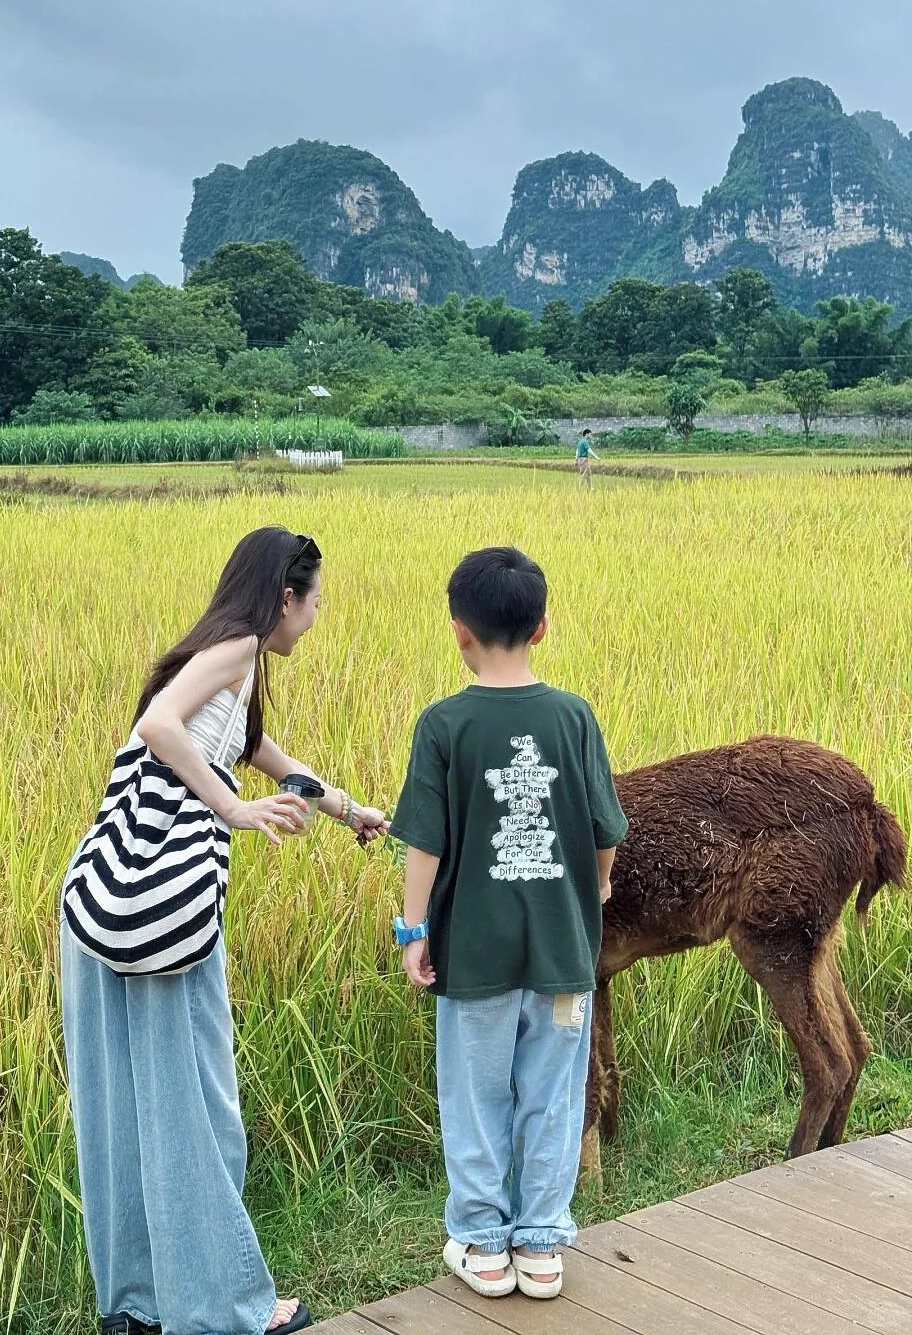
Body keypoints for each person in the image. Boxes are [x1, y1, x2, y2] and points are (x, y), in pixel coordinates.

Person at [60, 527, 389, 1335]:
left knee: (124, 1108)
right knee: (198, 1105)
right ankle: (228, 1308)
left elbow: (277, 765)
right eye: (315, 601)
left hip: (105, 901)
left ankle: (136, 1306)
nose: (315, 618)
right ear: (285, 596)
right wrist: (231, 807)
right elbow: (161, 728)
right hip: (168, 911)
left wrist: (351, 813)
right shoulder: (239, 650)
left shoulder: (226, 669)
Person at [389, 546, 627, 1300]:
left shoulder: (444, 725)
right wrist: (598, 888)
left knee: (475, 1093)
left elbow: (425, 842)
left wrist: (413, 930)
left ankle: (484, 1246)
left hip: (475, 955)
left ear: (459, 632)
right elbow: (603, 829)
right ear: (544, 629)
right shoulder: (573, 716)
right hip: (561, 952)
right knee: (552, 1094)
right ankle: (542, 1246)